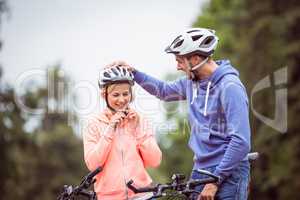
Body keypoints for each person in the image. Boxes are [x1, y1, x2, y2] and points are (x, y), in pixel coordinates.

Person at [111, 27, 251, 200]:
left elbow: (241, 141)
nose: (177, 67)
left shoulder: (230, 87)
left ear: (196, 59)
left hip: (227, 173)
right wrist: (134, 73)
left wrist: (215, 181)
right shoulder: (192, 83)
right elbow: (163, 90)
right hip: (201, 170)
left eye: (180, 61)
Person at [83, 65, 162, 200]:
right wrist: (110, 129)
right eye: (115, 95)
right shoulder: (93, 124)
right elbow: (93, 164)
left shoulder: (140, 120)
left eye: (126, 94)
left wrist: (137, 128)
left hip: (143, 195)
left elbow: (155, 161)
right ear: (104, 94)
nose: (121, 100)